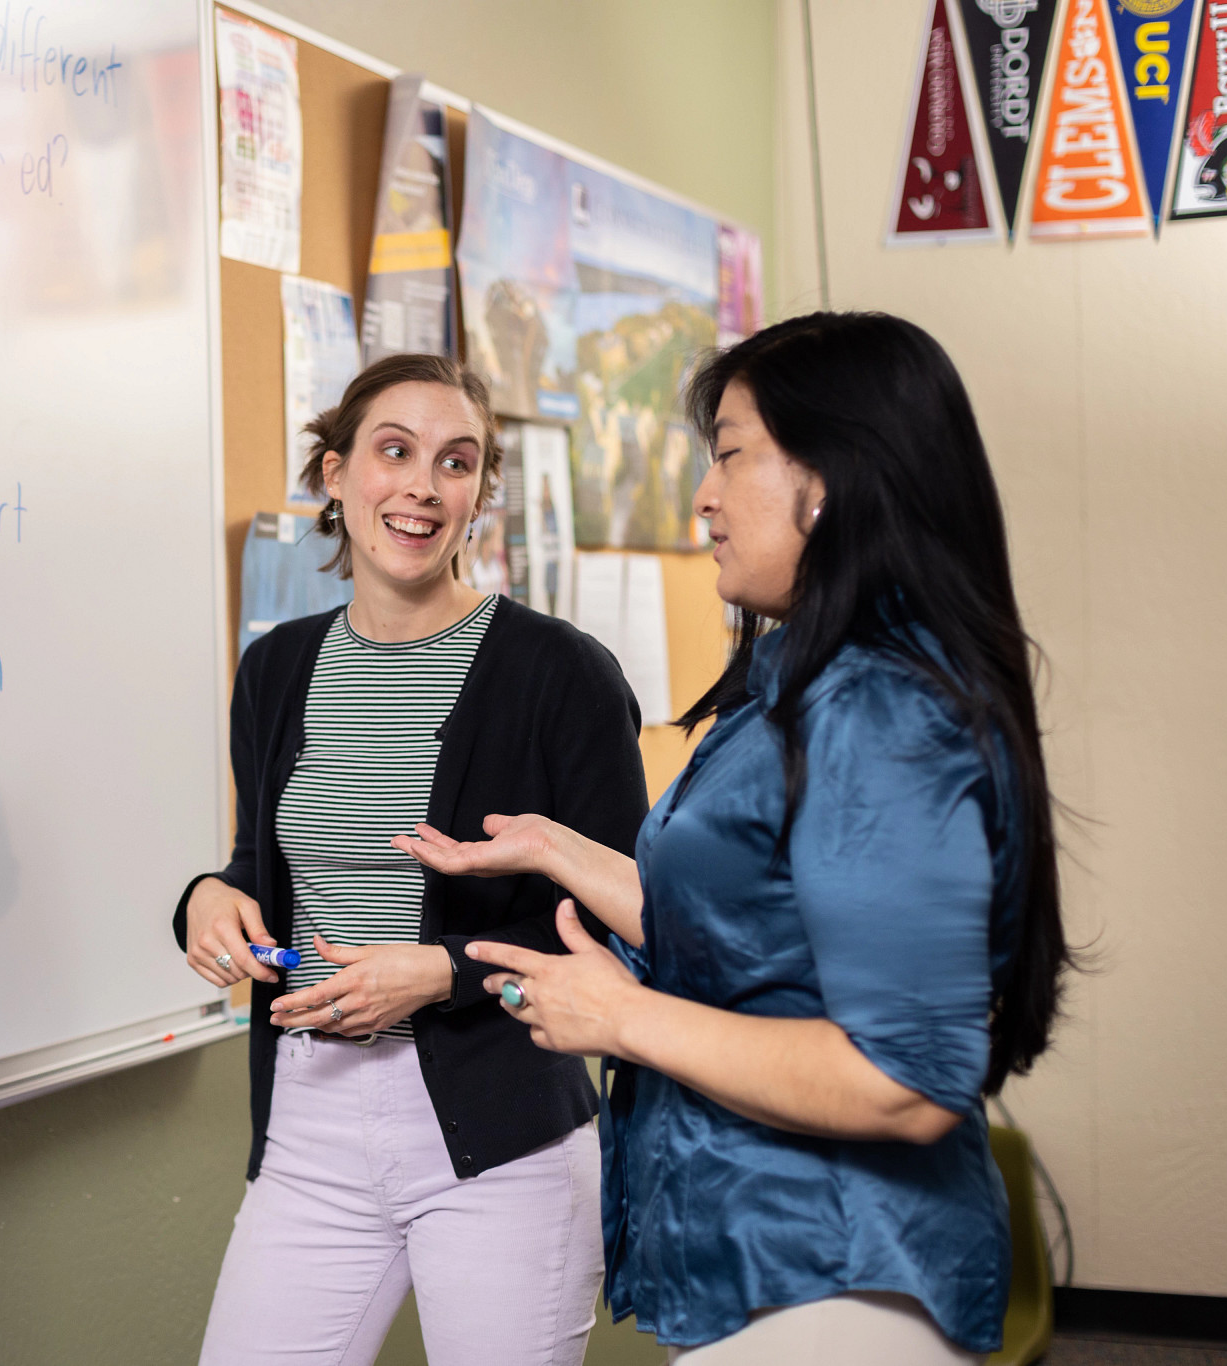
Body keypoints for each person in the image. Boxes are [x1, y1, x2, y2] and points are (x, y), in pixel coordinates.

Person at [399, 312, 1074, 1364]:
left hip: (838, 1272)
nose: (703, 498)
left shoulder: (879, 713)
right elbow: (748, 930)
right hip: (760, 1265)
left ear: (832, 475)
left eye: (727, 456)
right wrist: (559, 850)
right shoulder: (795, 691)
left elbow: (902, 1080)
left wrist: (623, 1020)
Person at [175, 352, 650, 1366]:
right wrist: (207, 896)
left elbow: (620, 923)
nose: (422, 487)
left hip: (500, 1129)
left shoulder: (560, 673)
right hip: (308, 1122)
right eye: (393, 452)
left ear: (479, 494)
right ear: (335, 475)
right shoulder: (277, 667)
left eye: (455, 462)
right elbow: (262, 861)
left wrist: (440, 971)